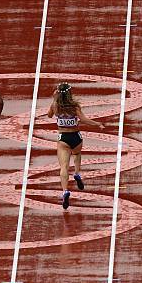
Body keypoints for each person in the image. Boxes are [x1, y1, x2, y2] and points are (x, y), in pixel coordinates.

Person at [47, 82, 104, 210]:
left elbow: (49, 115)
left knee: (63, 167)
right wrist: (97, 124)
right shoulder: (75, 106)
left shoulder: (55, 106)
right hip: (76, 137)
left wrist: (54, 99)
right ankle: (77, 173)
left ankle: (65, 191)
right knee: (77, 154)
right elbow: (83, 120)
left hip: (63, 139)